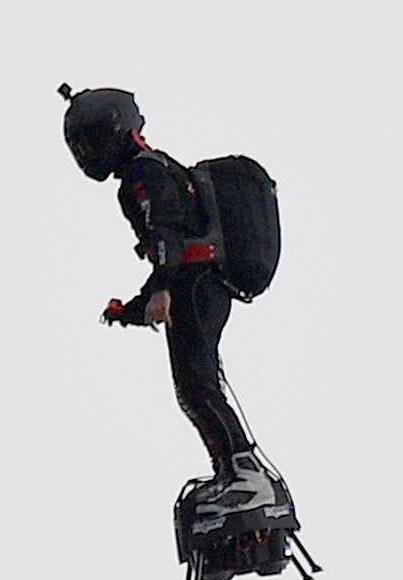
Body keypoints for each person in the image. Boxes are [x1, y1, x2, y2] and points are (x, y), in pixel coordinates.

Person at [59, 84, 274, 516]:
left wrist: (159, 288)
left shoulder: (143, 174)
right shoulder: (151, 169)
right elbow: (172, 241)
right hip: (198, 284)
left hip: (194, 285)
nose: (88, 154)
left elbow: (167, 234)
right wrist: (134, 309)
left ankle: (244, 476)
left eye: (91, 140)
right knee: (197, 386)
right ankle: (234, 473)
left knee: (196, 387)